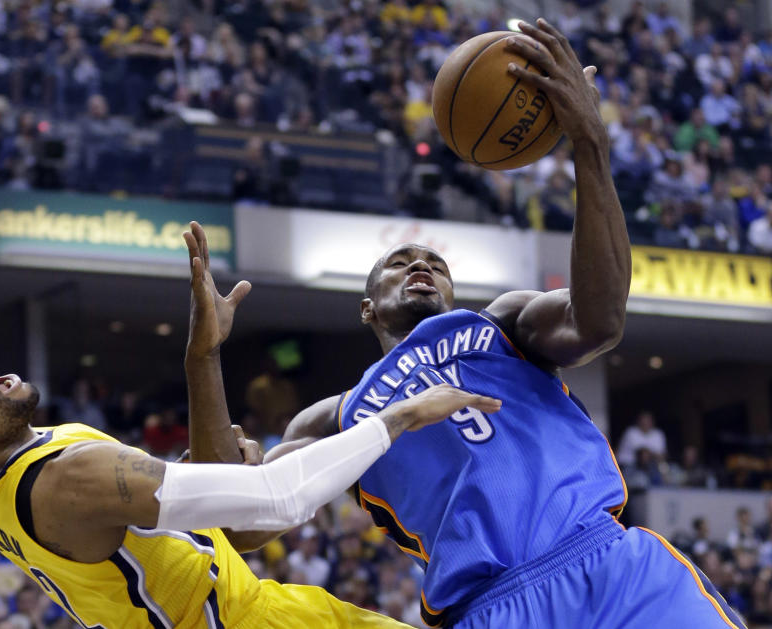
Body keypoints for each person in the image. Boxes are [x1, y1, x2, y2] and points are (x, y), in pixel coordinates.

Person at [216, 19, 743, 629]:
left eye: (434, 263)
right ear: (367, 309)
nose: (420, 265)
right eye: (399, 263)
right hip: (490, 609)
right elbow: (246, 524)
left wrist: (589, 147)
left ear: (451, 290)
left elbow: (600, 321)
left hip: (614, 568)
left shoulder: (503, 325)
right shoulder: (336, 416)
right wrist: (205, 362)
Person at [0, 236, 500, 626]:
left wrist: (203, 358)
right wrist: (400, 416)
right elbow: (280, 500)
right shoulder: (66, 480)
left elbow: (199, 509)